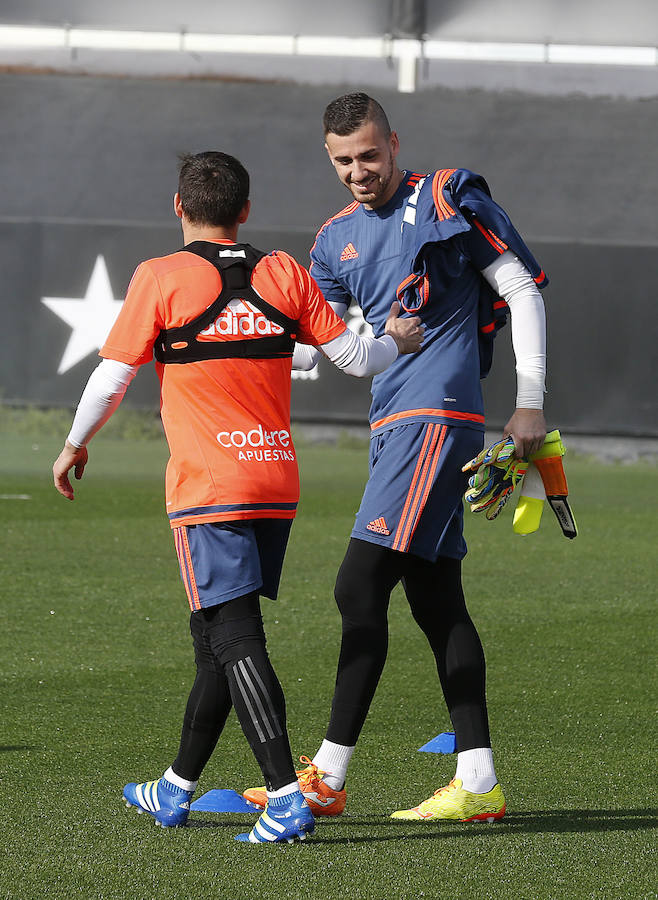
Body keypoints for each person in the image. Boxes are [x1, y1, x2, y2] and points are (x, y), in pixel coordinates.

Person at [52, 150, 422, 843]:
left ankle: (285, 796)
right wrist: (396, 341)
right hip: (276, 479)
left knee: (235, 636)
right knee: (214, 641)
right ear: (245, 212)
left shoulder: (159, 277)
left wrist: (75, 443)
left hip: (210, 486)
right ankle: (174, 788)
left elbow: (110, 379)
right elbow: (348, 359)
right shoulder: (282, 271)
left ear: (178, 207)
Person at [243, 92, 548, 823]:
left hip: (434, 420)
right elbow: (311, 332)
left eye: (369, 155)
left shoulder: (443, 198)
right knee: (438, 603)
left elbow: (521, 289)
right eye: (344, 160)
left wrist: (531, 398)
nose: (358, 171)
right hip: (394, 424)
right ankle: (478, 784)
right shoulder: (334, 239)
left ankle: (328, 776)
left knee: (358, 587)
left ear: (394, 143)